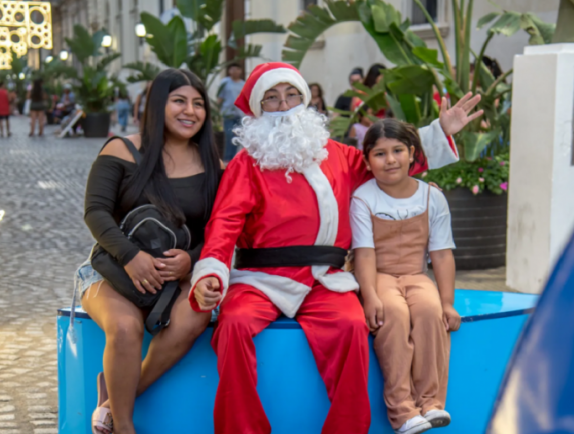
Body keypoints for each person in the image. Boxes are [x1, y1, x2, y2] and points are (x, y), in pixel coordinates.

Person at [187, 62, 481, 434]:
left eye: (292, 94)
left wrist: (439, 132)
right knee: (234, 323)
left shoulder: (338, 155)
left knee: (351, 325)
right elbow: (225, 222)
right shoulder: (246, 164)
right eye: (273, 98)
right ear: (259, 109)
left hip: (326, 279)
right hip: (262, 278)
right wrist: (211, 271)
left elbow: (389, 163)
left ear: (306, 99)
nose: (285, 104)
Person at [77, 69, 221, 434]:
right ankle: (123, 426)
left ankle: (111, 399)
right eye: (179, 101)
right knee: (125, 328)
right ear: (158, 105)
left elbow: (222, 228)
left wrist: (192, 259)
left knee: (196, 316)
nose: (190, 111)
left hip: (178, 279)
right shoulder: (121, 149)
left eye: (198, 104)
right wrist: (131, 256)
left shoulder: (214, 165)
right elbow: (95, 211)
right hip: (114, 270)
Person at [351, 120, 459, 434]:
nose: (391, 160)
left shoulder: (431, 197)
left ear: (412, 154)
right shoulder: (363, 198)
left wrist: (448, 302)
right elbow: (365, 253)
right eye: (380, 154)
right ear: (367, 160)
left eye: (398, 150)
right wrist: (369, 294)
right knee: (393, 314)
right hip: (380, 275)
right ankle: (402, 411)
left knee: (429, 311)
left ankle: (431, 402)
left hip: (416, 274)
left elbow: (441, 253)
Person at [216, 63, 246, 163]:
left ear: (240, 71)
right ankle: (227, 158)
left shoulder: (243, 84)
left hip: (240, 114)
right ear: (229, 71)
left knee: (237, 137)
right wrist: (218, 109)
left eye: (237, 69)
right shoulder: (225, 82)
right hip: (227, 112)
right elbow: (220, 96)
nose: (235, 71)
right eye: (232, 69)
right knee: (229, 135)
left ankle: (234, 159)